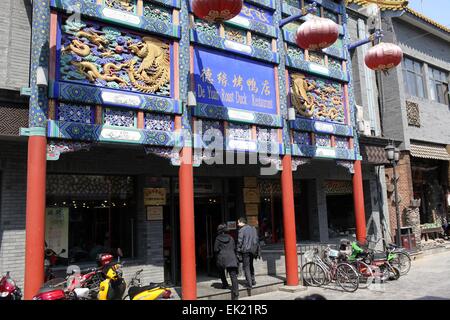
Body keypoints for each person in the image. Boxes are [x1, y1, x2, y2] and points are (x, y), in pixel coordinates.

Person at [214, 224, 239, 300]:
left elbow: (215, 249)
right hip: (231, 257)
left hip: (222, 258)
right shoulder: (231, 238)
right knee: (233, 276)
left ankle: (225, 284)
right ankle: (236, 293)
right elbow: (234, 247)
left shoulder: (218, 238)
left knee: (221, 271)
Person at [237, 217, 260, 289]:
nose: (237, 224)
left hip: (245, 250)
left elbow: (239, 241)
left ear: (241, 222)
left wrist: (238, 250)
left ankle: (249, 283)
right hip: (253, 250)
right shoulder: (253, 228)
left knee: (246, 266)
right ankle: (253, 280)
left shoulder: (241, 230)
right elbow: (256, 239)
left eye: (238, 222)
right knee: (251, 265)